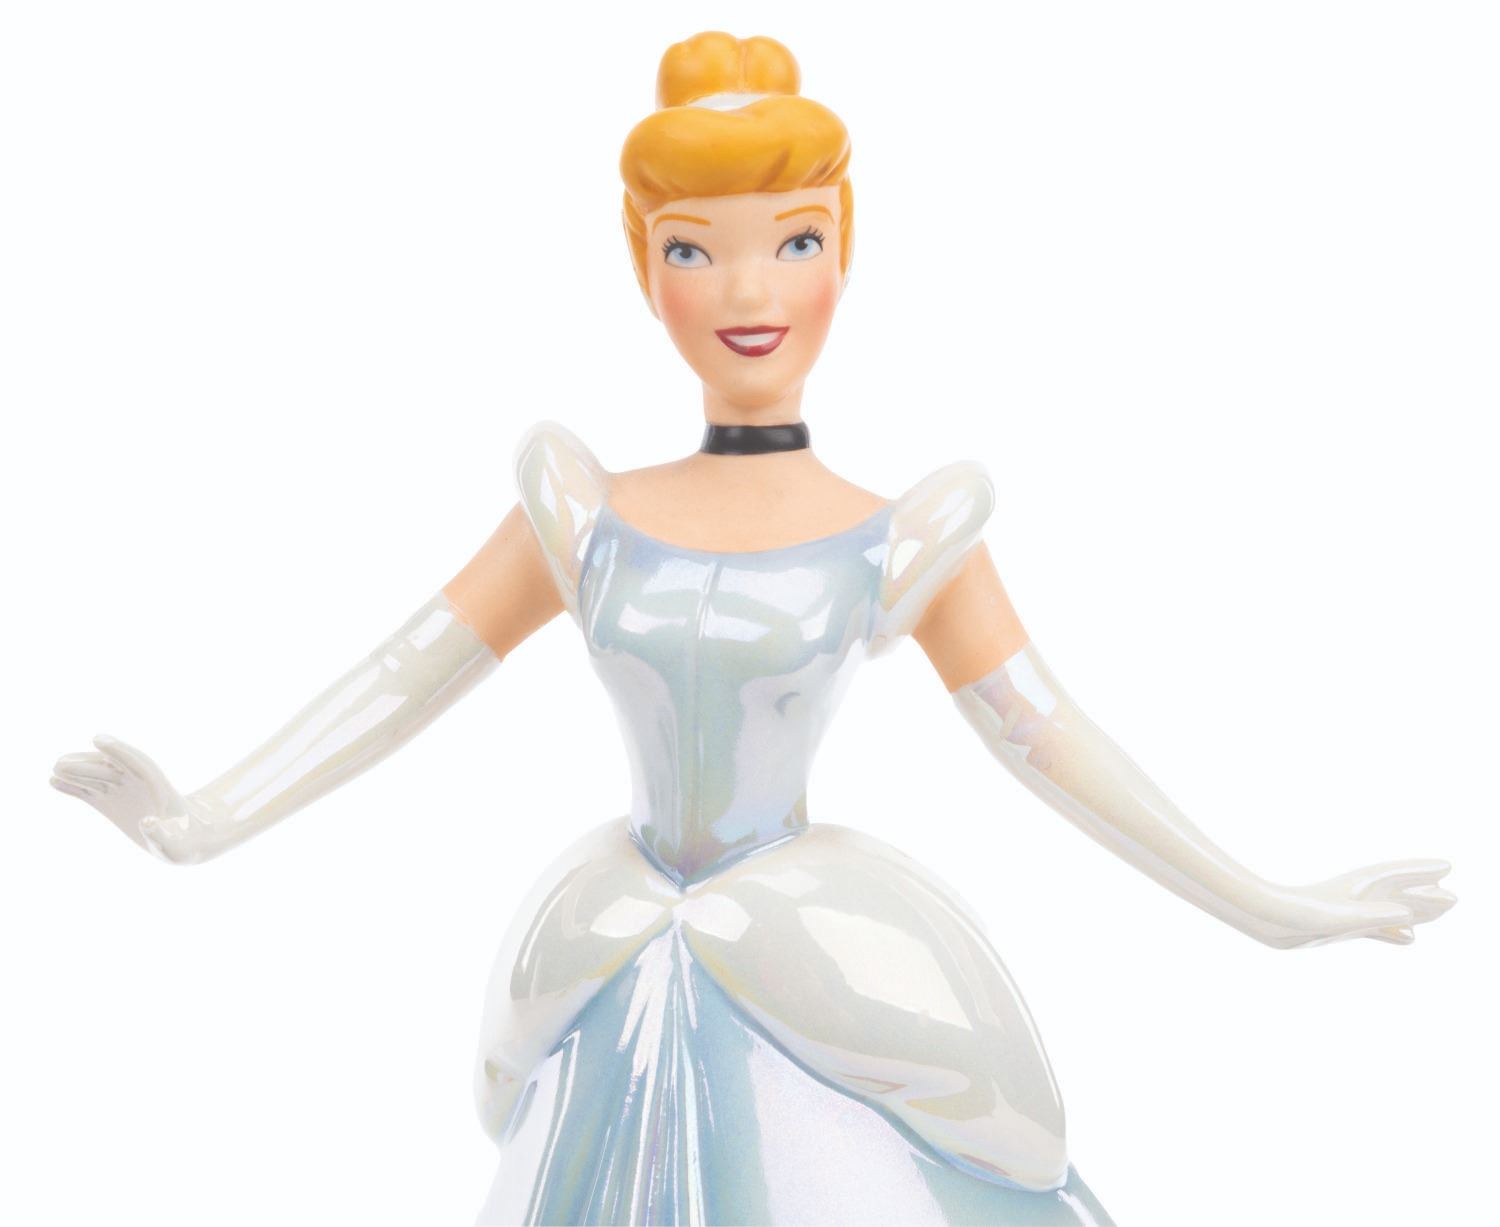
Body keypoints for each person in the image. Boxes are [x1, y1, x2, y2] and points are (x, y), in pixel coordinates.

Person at [50, 30, 1454, 1227]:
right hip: (610, 937)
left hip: (808, 940)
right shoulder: (584, 512)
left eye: (794, 243)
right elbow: (413, 666)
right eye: (694, 250)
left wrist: (1269, 903)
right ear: (643, 267)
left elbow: (1048, 737)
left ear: (845, 251)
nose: (747, 294)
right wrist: (207, 816)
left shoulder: (900, 535)